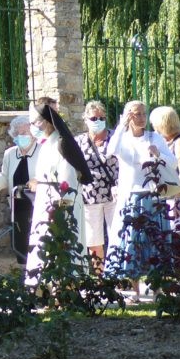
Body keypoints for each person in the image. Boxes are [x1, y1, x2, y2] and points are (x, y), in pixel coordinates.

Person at [105, 100, 176, 302]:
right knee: (131, 243)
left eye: (144, 113)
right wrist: (121, 125)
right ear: (128, 116)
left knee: (155, 242)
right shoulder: (122, 139)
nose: (142, 117)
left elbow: (172, 162)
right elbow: (109, 151)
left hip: (152, 196)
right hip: (129, 197)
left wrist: (158, 153)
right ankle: (135, 290)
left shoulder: (155, 138)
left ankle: (157, 290)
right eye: (137, 114)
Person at [24, 101, 89, 285]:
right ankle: (46, 287)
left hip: (61, 207)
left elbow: (67, 179)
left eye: (35, 122)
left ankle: (65, 287)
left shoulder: (62, 144)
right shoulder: (46, 144)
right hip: (46, 203)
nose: (33, 127)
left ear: (47, 122)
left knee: (62, 246)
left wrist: (61, 209)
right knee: (45, 246)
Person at [0, 115, 41, 266]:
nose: (22, 136)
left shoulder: (42, 151)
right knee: (21, 249)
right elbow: (5, 177)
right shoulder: (10, 154)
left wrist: (37, 181)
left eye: (25, 133)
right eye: (18, 134)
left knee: (38, 249)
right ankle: (25, 280)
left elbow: (48, 175)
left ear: (32, 134)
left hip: (37, 207)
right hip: (17, 209)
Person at [74, 100, 119, 271]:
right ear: (85, 119)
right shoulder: (79, 142)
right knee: (94, 240)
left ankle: (116, 274)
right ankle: (100, 276)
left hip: (113, 195)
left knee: (116, 236)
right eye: (93, 118)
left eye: (101, 117)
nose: (97, 121)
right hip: (89, 196)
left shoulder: (115, 138)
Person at [149, 106, 180, 232]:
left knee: (178, 236)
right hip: (172, 198)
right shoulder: (172, 141)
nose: (153, 128)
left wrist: (177, 200)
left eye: (154, 124)